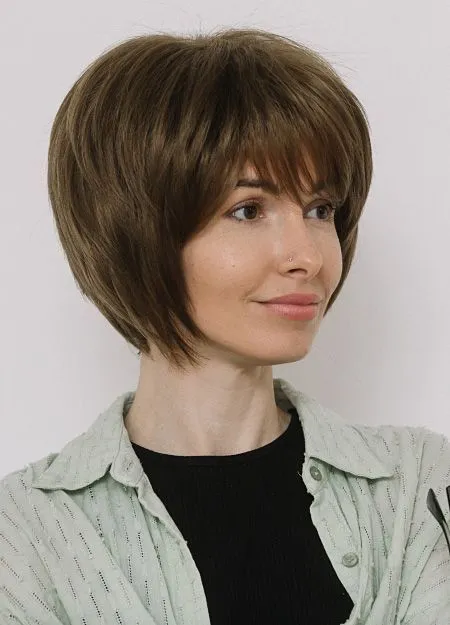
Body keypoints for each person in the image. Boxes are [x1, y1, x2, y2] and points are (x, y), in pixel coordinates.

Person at [1, 27, 449, 625]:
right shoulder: (26, 535)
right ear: (137, 233)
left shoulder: (419, 485)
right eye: (248, 210)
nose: (308, 256)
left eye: (320, 210)